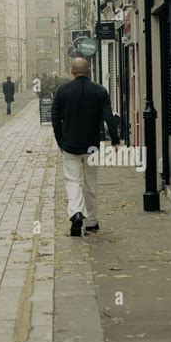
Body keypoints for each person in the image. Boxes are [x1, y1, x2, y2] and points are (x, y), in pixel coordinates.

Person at [51, 58, 120, 237]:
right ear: (89, 71)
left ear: (72, 72)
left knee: (73, 180)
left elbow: (55, 118)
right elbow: (108, 117)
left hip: (70, 144)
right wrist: (115, 139)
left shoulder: (62, 91)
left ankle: (76, 213)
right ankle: (92, 221)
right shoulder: (100, 91)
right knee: (90, 182)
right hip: (91, 145)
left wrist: (60, 140)